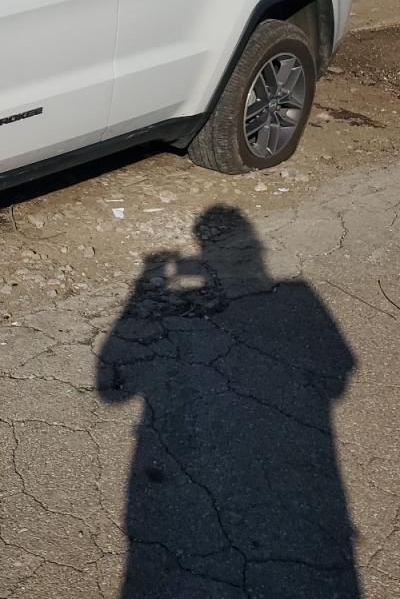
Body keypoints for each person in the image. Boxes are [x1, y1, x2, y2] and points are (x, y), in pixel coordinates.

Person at [98, 205, 361, 598]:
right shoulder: (299, 292)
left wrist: (145, 284)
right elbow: (338, 378)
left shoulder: (298, 293)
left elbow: (111, 391)